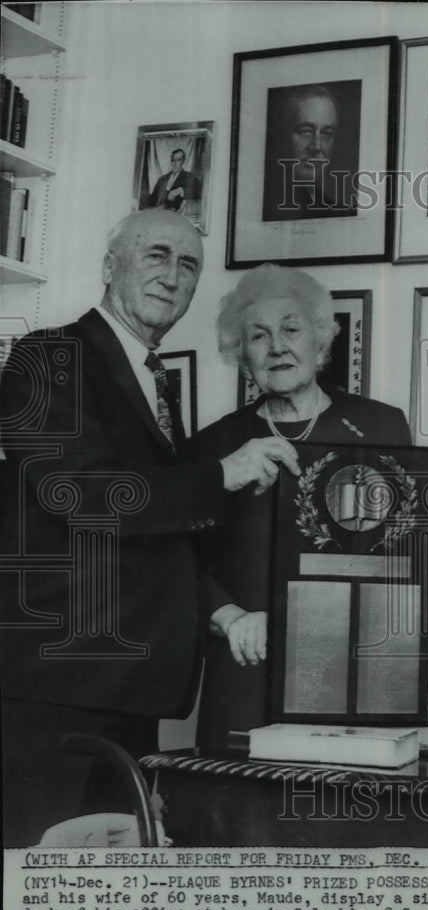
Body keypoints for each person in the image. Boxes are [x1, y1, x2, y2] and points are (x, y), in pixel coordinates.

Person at [0, 209, 300, 846]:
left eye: (188, 264)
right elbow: (79, 494)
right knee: (35, 892)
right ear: (112, 267)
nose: (172, 275)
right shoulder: (48, 355)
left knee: (102, 902)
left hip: (126, 692)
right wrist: (219, 473)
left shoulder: (151, 373)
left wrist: (221, 616)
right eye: (156, 255)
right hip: (57, 690)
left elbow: (153, 534)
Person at [191, 263, 428, 745]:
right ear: (242, 355)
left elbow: (398, 545)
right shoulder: (211, 446)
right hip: (247, 662)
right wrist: (229, 617)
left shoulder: (380, 426)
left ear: (320, 342)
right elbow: (179, 558)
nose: (277, 346)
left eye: (291, 329)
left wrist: (424, 542)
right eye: (258, 336)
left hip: (352, 670)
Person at [262, 84, 356, 220]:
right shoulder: (262, 204)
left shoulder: (334, 211)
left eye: (326, 133)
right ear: (282, 135)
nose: (316, 146)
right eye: (305, 131)